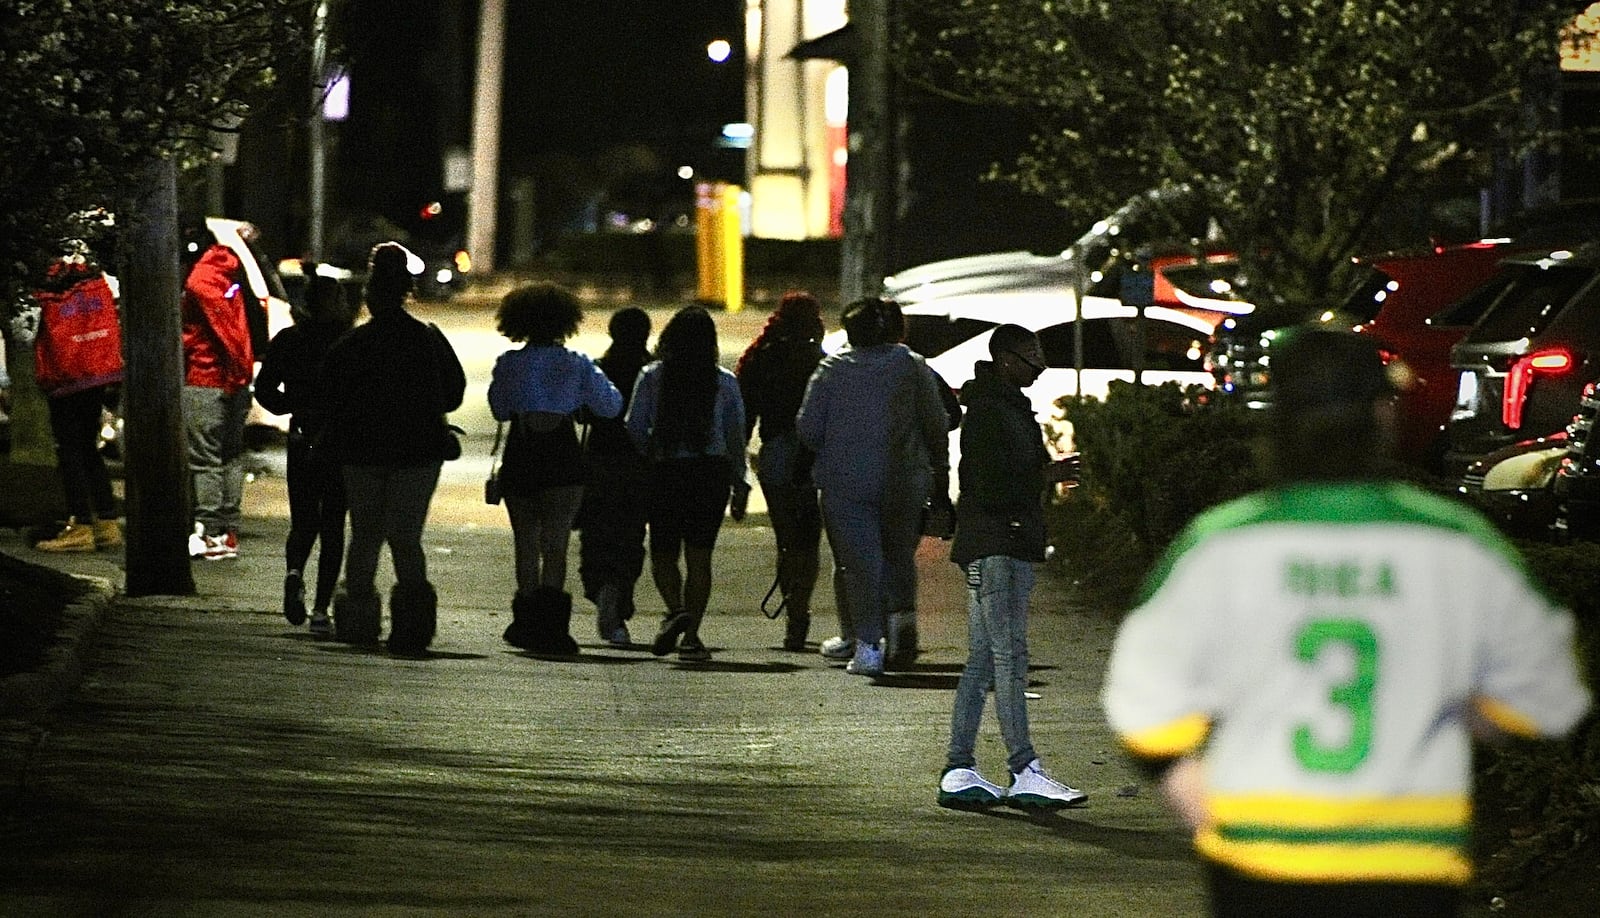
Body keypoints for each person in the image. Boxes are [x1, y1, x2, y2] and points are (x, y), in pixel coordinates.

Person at [1101, 327, 1591, 917]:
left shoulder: (1220, 544)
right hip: (1411, 864)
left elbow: (1144, 712)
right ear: (1382, 415)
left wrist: (1191, 793)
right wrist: (1465, 711)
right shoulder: (1457, 542)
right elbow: (1551, 694)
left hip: (1260, 859)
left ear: (1276, 420)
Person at [937, 324, 1087, 810]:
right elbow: (990, 482)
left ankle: (959, 768)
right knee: (1008, 659)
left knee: (984, 662)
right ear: (1005, 358)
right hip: (999, 545)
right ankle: (1024, 768)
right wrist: (1048, 474)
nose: (1038, 364)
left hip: (999, 543)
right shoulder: (992, 413)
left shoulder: (1001, 407)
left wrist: (1045, 474)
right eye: (1031, 355)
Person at [317, 242, 466, 654]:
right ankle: (413, 624)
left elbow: (327, 396)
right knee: (406, 537)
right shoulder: (426, 340)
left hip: (362, 450)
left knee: (364, 534)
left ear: (368, 294)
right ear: (407, 291)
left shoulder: (350, 346)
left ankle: (358, 621)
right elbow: (452, 394)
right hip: (418, 451)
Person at [796, 296, 949, 676]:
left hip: (845, 483)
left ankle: (868, 645)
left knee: (860, 564)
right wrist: (939, 469)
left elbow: (809, 428)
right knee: (899, 556)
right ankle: (902, 624)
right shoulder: (912, 366)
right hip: (904, 479)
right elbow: (935, 422)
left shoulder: (832, 370)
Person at [489, 282, 623, 656]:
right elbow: (611, 406)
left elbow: (500, 410)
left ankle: (525, 621)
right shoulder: (577, 363)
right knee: (557, 543)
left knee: (525, 542)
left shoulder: (510, 363)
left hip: (522, 452)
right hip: (563, 454)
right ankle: (552, 625)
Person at [625, 305, 749, 662]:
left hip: (666, 472)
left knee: (663, 551)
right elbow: (735, 435)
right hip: (710, 475)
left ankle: (675, 608)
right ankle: (691, 637)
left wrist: (652, 452)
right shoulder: (724, 381)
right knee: (700, 557)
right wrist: (739, 481)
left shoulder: (652, 377)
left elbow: (634, 427)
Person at [254, 272, 357, 635]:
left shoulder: (289, 340)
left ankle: (294, 572)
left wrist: (290, 406)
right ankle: (320, 610)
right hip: (337, 440)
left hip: (302, 435)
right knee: (332, 524)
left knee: (303, 520)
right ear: (331, 304)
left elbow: (265, 388)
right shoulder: (347, 343)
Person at [736, 291, 826, 651]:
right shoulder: (821, 362)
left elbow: (745, 417)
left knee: (786, 538)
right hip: (813, 455)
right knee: (809, 539)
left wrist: (739, 472)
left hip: (774, 453)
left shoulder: (761, 357)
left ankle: (793, 613)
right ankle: (799, 613)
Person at [31, 255, 124, 554]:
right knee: (87, 447)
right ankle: (107, 522)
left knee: (69, 450)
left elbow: (25, 330)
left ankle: (81, 525)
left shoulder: (46, 284)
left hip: (65, 375)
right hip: (95, 371)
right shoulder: (95, 278)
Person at [575, 307, 653, 646]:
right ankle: (619, 595)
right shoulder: (652, 371)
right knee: (631, 536)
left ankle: (602, 588)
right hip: (639, 464)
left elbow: (581, 413)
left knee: (595, 534)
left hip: (599, 461)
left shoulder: (599, 369)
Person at [182, 228, 256, 560]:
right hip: (235, 382)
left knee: (204, 459)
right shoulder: (230, 278)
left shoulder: (200, 282)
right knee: (230, 455)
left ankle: (206, 530)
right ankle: (228, 531)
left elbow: (218, 334)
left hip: (207, 378)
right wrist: (240, 376)